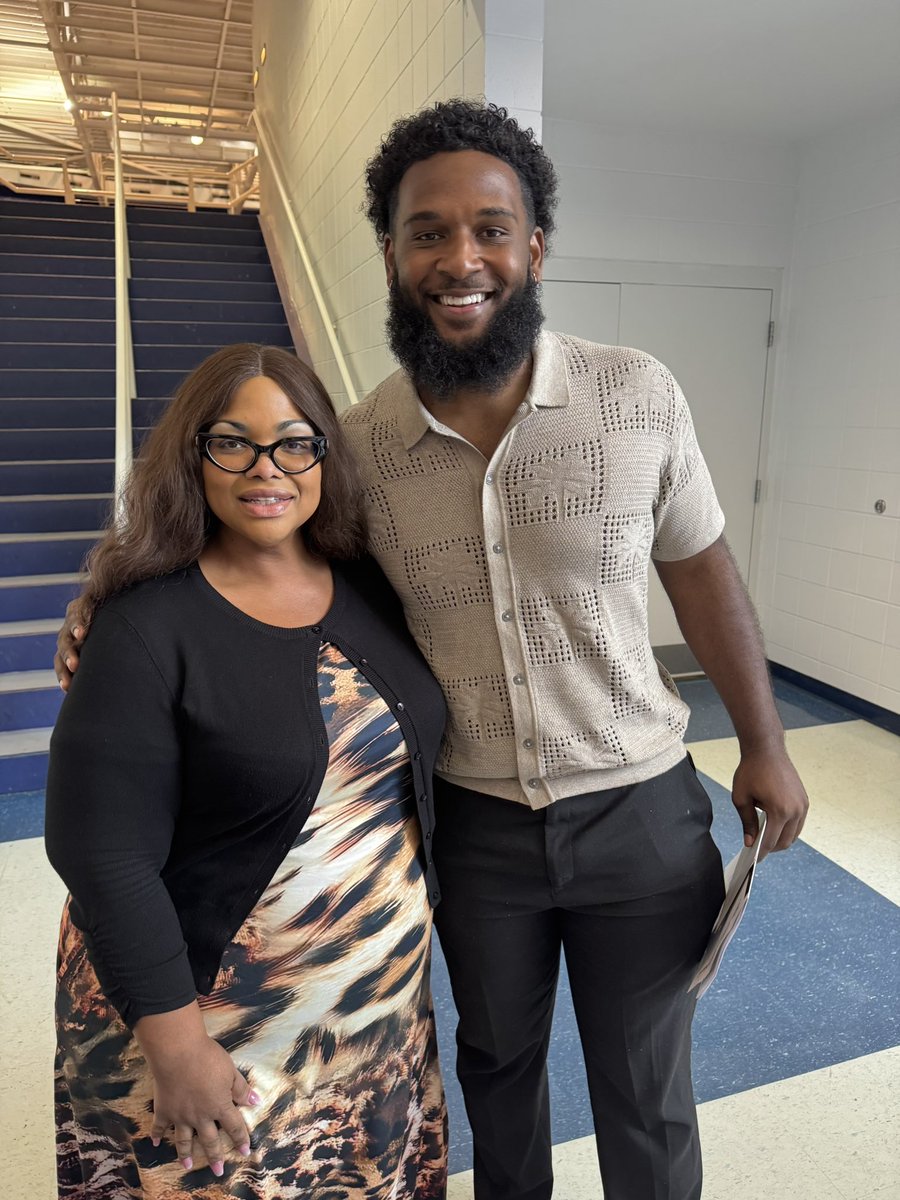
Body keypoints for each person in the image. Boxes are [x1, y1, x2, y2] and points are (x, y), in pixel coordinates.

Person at [58, 101, 810, 1200]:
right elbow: (275, 557)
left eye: (491, 230)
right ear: (391, 254)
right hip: (472, 825)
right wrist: (120, 595)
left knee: (646, 1085)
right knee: (496, 1066)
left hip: (641, 809)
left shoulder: (635, 394)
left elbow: (701, 569)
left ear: (534, 247)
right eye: (428, 233)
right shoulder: (357, 446)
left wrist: (765, 740)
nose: (461, 260)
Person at [46, 344, 448, 1199]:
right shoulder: (145, 626)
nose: (267, 468)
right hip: (210, 1024)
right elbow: (102, 855)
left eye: (295, 443)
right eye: (232, 442)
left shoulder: (367, 584)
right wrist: (177, 1047)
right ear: (192, 456)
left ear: (325, 456)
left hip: (366, 1023)